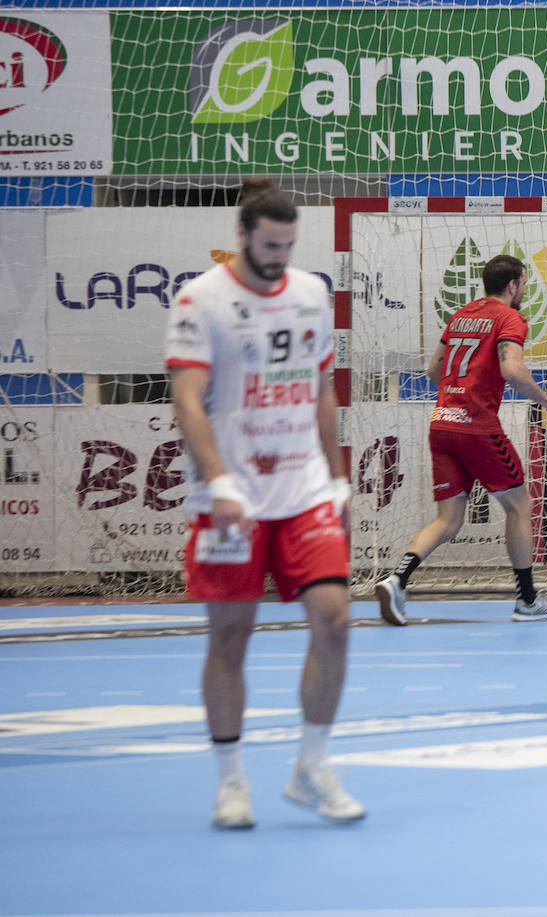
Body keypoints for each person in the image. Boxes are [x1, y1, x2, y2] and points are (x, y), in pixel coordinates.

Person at [166, 178, 364, 829]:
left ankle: (311, 766)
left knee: (334, 620)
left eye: (289, 244)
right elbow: (189, 399)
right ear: (243, 236)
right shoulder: (201, 300)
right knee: (230, 637)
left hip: (304, 488)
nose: (279, 256)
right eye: (269, 244)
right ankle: (230, 781)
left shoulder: (311, 293)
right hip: (233, 498)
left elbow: (321, 389)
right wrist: (219, 480)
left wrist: (336, 479)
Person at [374, 255, 547, 626]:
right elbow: (511, 369)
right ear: (512, 285)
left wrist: (455, 398)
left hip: (442, 424)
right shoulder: (510, 317)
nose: (524, 290)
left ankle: (396, 579)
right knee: (520, 506)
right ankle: (527, 600)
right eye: (524, 284)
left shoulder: (461, 315)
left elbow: (434, 370)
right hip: (477, 428)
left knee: (448, 521)